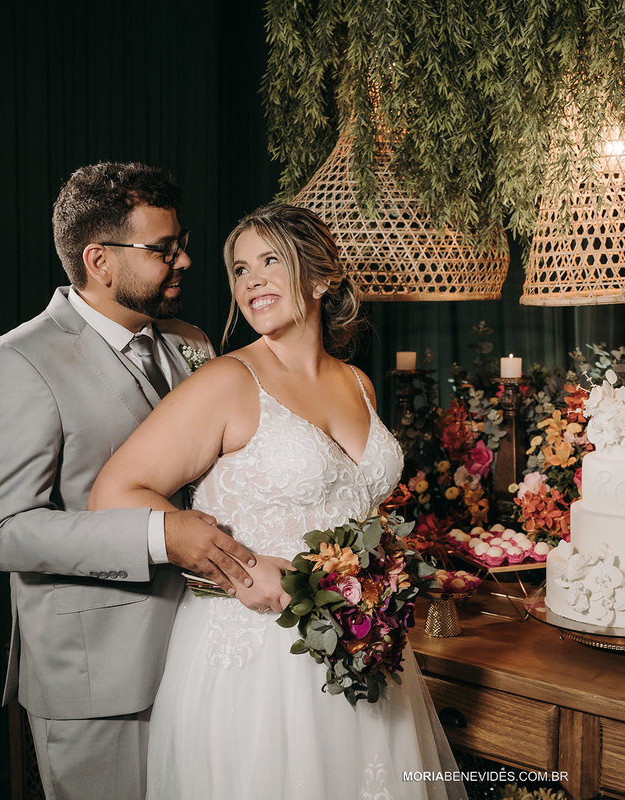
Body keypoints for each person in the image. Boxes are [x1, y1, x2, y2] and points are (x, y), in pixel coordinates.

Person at [89, 204, 466, 799]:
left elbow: (357, 513)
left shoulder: (357, 383)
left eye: (270, 261)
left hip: (362, 650)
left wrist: (384, 580)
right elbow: (112, 493)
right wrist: (237, 565)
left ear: (319, 277)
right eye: (240, 270)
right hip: (259, 656)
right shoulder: (227, 381)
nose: (252, 281)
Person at [0, 162, 275, 800]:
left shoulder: (191, 341)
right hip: (99, 677)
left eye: (182, 243)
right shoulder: (16, 361)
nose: (186, 260)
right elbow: (7, 532)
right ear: (98, 260)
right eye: (165, 249)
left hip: (212, 656)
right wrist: (160, 536)